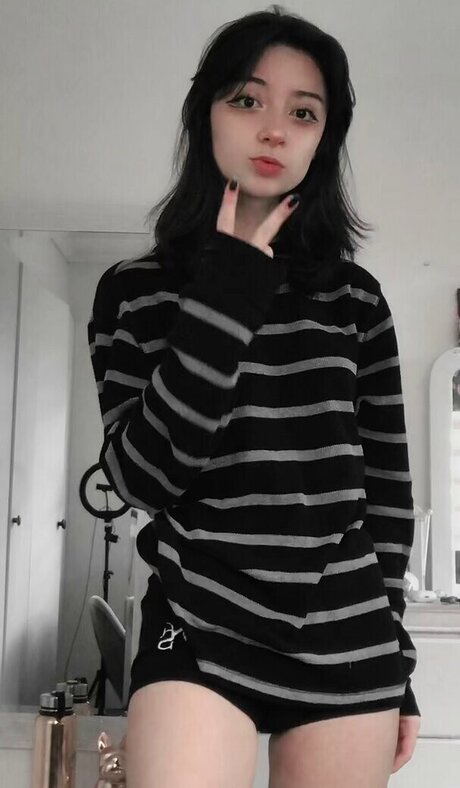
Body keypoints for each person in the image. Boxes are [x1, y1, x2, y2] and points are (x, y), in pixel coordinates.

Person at [87, 5, 421, 786]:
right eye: (247, 99)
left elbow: (386, 498)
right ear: (204, 112)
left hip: (346, 629)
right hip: (196, 619)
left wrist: (398, 661)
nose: (274, 129)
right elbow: (141, 479)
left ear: (323, 139)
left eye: (304, 113)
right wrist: (229, 292)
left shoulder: (355, 300)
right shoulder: (134, 292)